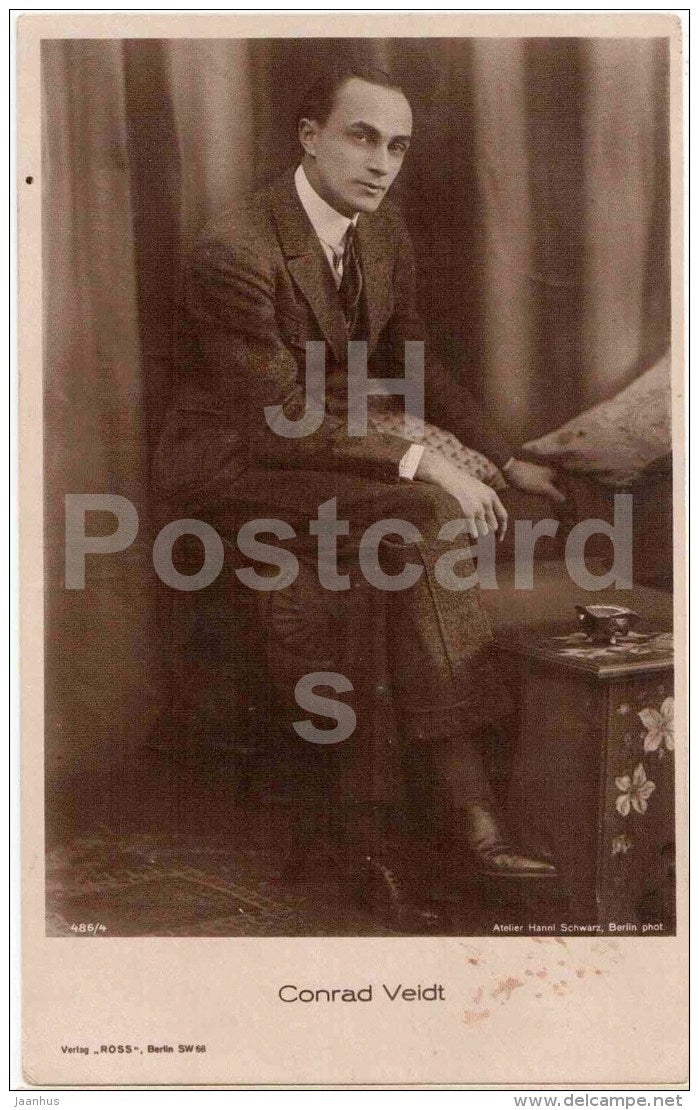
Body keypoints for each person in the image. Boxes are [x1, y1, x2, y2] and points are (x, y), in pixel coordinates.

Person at [155, 57, 560, 931]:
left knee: (434, 526)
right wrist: (428, 464)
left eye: (397, 147)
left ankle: (441, 812)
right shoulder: (236, 249)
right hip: (233, 469)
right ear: (310, 137)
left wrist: (500, 457)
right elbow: (278, 416)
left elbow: (414, 366)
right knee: (423, 512)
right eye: (362, 137)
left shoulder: (380, 233)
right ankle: (473, 815)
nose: (381, 163)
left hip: (323, 457)